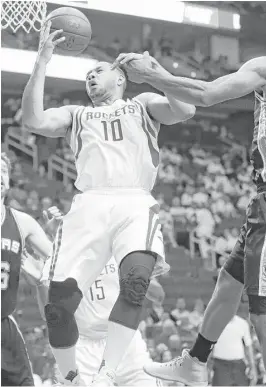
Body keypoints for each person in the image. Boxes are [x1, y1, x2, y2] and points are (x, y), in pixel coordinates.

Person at [113, 23, 266, 386]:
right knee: (229, 284)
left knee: (265, 315)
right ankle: (195, 361)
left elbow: (208, 93)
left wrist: (156, 75)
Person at [21, 22, 195, 386]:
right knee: (58, 308)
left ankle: (108, 372)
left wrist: (155, 75)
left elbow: (186, 110)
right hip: (88, 204)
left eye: (98, 71)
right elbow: (34, 119)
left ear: (120, 79)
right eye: (87, 75)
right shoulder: (76, 114)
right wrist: (42, 61)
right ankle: (71, 375)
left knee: (135, 284)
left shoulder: (142, 104)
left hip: (133, 200)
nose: (91, 77)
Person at [22, 231, 164, 386]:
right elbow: (47, 314)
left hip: (125, 340)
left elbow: (159, 295)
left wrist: (140, 276)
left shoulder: (121, 249)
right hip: (84, 346)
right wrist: (39, 284)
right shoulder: (61, 260)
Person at [1, 152, 60, 386]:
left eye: (3, 171)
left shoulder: (21, 222)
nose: (0, 176)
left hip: (4, 324)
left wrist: (58, 234)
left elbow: (59, 260)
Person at [211, 315, 257, 386]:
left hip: (239, 366)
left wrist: (253, 368)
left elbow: (248, 347)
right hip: (220, 366)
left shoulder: (242, 323)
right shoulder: (213, 322)